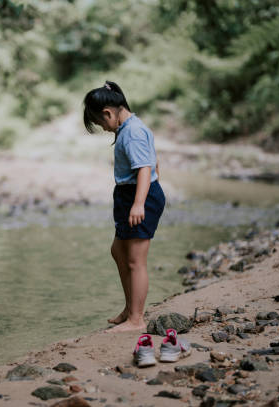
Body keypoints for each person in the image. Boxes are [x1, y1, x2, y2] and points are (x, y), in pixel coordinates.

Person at [83, 81, 166, 333]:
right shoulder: (128, 128)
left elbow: (144, 168)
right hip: (129, 195)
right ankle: (130, 309)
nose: (104, 129)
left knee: (135, 261)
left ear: (108, 113)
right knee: (118, 251)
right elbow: (153, 160)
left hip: (138, 197)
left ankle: (136, 319)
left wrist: (140, 203)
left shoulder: (132, 132)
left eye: (100, 124)